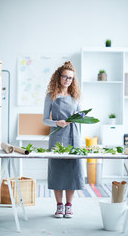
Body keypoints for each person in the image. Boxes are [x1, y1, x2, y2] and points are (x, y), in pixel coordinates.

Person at [43, 61, 84, 218]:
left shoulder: (75, 97)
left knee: (72, 170)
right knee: (58, 170)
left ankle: (69, 205)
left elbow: (80, 115)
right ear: (59, 77)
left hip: (74, 136)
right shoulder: (51, 96)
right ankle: (59, 206)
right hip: (57, 136)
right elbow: (45, 120)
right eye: (65, 76)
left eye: (71, 78)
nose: (68, 80)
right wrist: (56, 123)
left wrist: (81, 116)